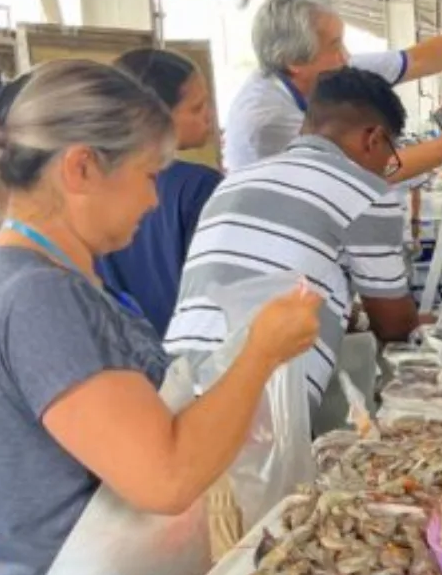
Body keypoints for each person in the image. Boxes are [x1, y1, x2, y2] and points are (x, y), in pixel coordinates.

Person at [0, 60, 321, 575]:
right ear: (82, 167)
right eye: (148, 174)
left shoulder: (48, 278)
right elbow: (164, 475)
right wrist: (261, 352)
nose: (154, 199)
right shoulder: (38, 298)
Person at [166, 67, 416, 424]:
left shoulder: (235, 181)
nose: (385, 167)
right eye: (390, 154)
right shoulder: (365, 191)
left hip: (174, 391)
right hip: (259, 406)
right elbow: (394, 326)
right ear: (373, 138)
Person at [223, 0, 442, 175]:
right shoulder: (265, 121)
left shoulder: (326, 71)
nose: (346, 56)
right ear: (294, 61)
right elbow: (376, 169)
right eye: (334, 45)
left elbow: (421, 59)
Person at [97, 49, 223, 336]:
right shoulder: (199, 187)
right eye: (197, 108)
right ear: (157, 117)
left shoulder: (94, 185)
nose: (209, 115)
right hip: (186, 349)